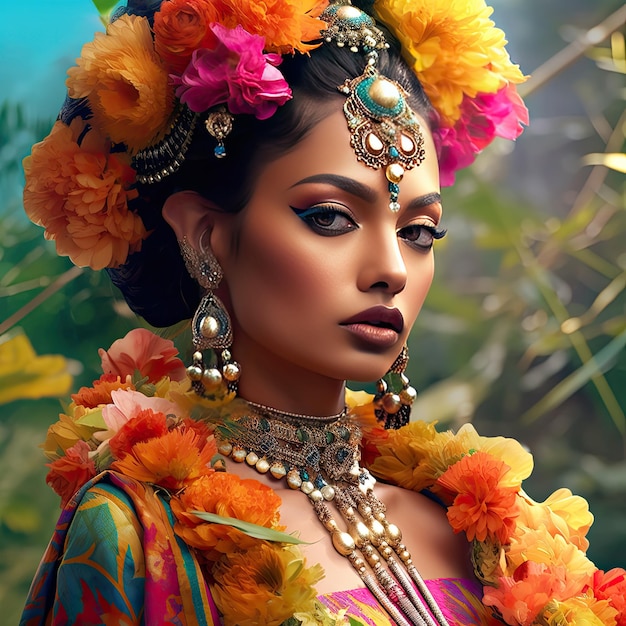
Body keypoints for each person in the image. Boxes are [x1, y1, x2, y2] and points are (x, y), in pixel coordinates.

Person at [19, 0, 626, 625]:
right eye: (329, 217)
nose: (391, 267)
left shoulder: (491, 525)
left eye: (420, 231)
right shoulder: (141, 536)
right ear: (206, 236)